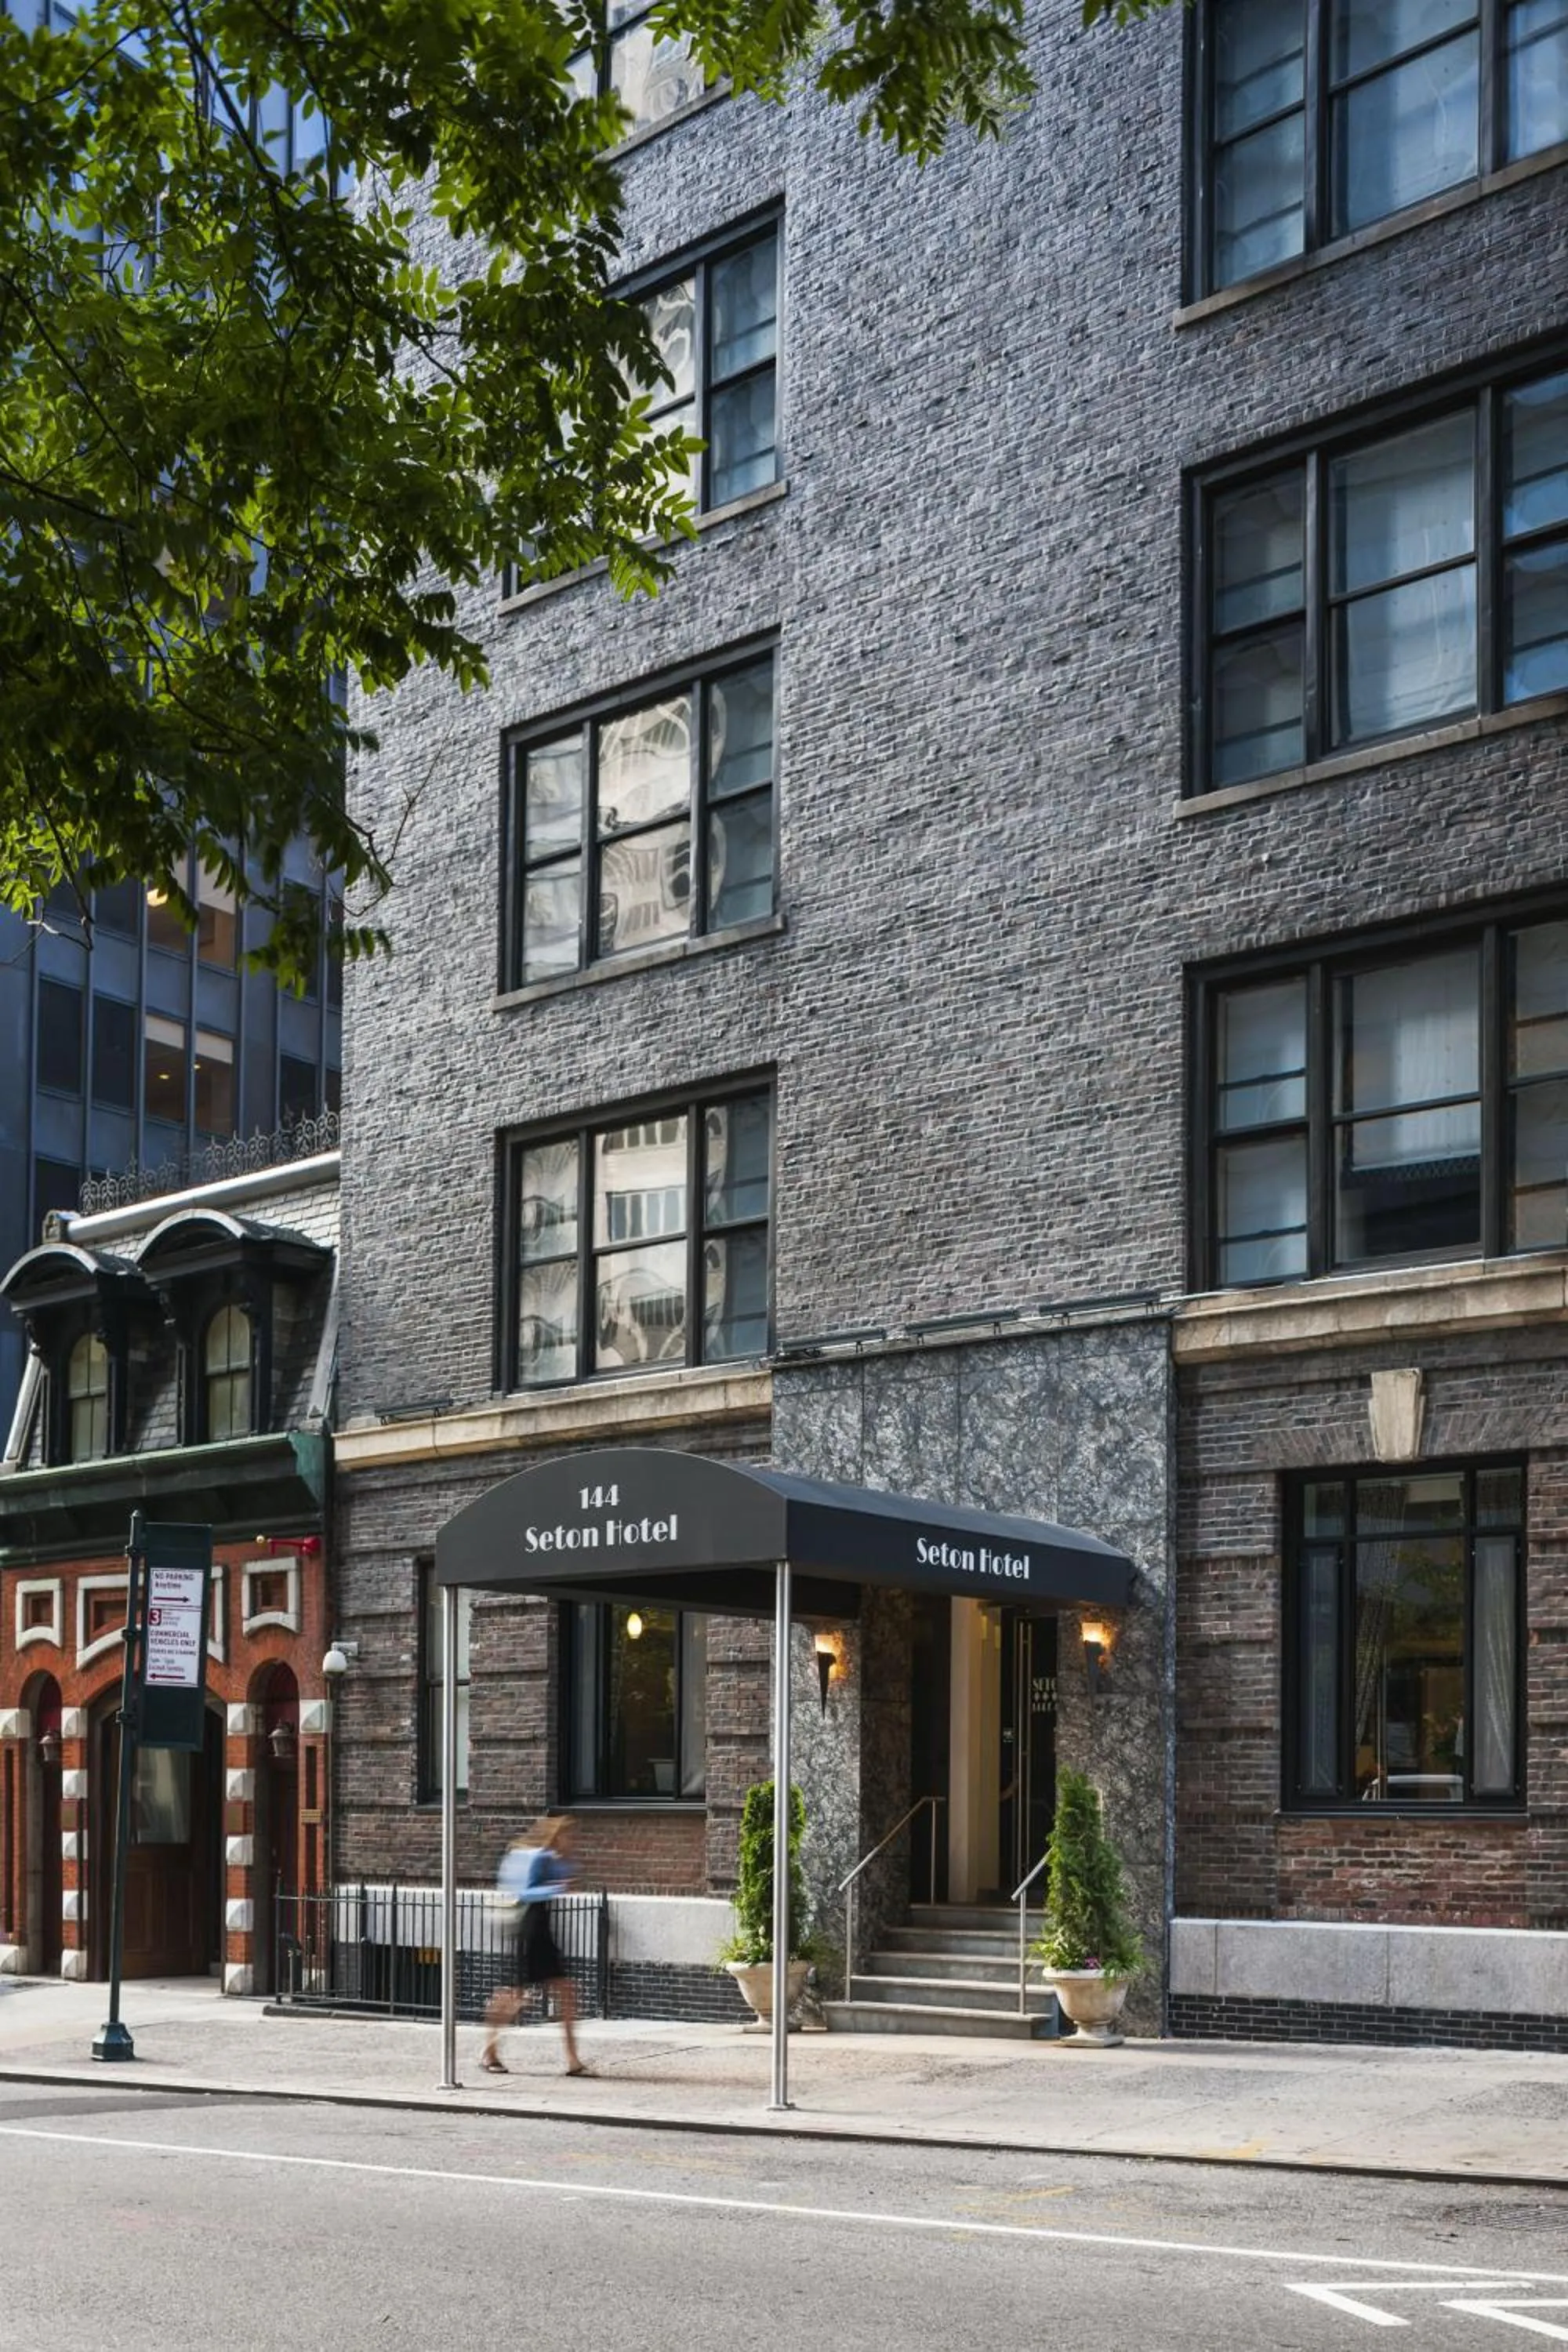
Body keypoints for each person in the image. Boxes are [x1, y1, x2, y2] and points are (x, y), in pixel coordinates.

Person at [481, 1814, 586, 2076]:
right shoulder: (539, 1858)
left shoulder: (555, 1860)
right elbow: (523, 1893)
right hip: (530, 1929)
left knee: (567, 1992)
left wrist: (562, 1879)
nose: (572, 1842)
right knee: (515, 1997)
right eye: (569, 1836)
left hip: (543, 1931)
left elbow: (562, 1882)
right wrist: (556, 1887)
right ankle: (489, 2051)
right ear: (557, 1836)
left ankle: (573, 2061)